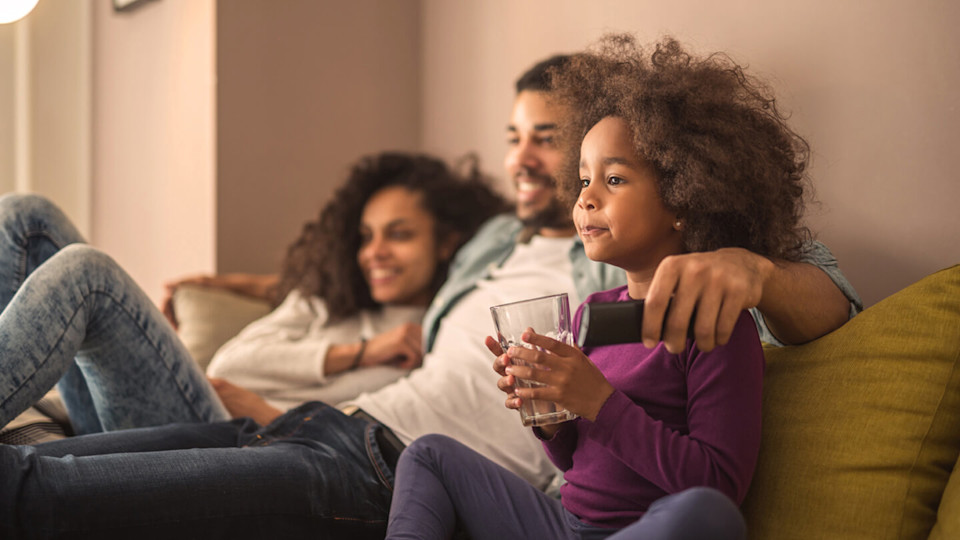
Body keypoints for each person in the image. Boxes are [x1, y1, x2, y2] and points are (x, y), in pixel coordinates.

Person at [0, 45, 859, 539]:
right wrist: (245, 286)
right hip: (317, 428)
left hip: (367, 472)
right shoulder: (496, 242)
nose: (548, 168)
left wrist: (752, 270)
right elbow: (359, 276)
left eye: (553, 141)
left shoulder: (684, 283)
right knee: (27, 221)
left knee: (40, 448)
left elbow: (822, 299)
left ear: (684, 183)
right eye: (525, 141)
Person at [385, 34, 801, 540]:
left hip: (645, 529)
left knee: (706, 516)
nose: (586, 200)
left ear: (684, 198)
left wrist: (599, 400)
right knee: (428, 454)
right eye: (582, 180)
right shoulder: (590, 313)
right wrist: (550, 416)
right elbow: (575, 463)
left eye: (615, 180)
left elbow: (716, 484)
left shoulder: (715, 325)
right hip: (566, 526)